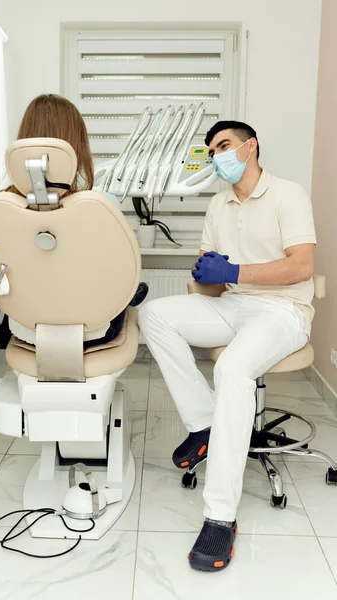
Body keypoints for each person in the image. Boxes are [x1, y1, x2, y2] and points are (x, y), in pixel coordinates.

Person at [138, 120, 316, 572]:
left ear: (250, 147)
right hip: (233, 306)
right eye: (212, 149)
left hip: (282, 312)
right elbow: (218, 286)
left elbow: (301, 266)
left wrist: (233, 271)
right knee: (154, 314)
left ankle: (220, 517)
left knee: (232, 369)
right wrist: (205, 278)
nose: (217, 155)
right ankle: (205, 424)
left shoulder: (287, 194)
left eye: (224, 145)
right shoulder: (218, 204)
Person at [0, 94, 148, 348]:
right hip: (93, 331)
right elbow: (120, 275)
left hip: (24, 328)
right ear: (77, 144)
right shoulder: (100, 205)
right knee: (129, 290)